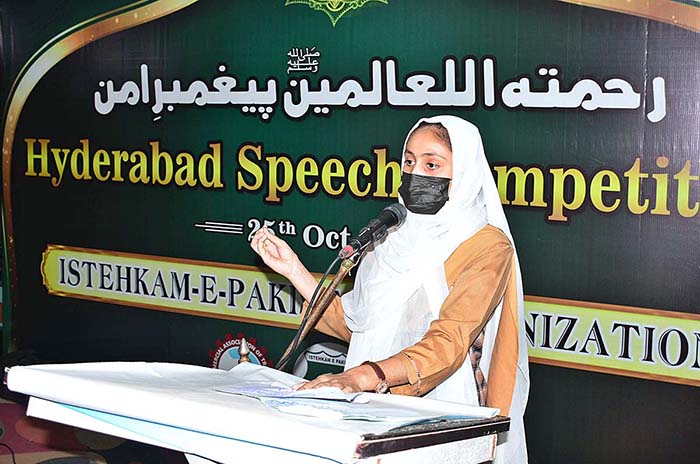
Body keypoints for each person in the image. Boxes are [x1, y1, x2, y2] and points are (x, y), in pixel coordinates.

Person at [251, 115, 529, 463]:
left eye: (433, 164)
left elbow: (448, 345)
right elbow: (356, 326)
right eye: (409, 161)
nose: (417, 173)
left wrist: (360, 377)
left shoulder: (487, 246)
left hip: (446, 417)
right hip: (376, 411)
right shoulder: (392, 235)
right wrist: (294, 270)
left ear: (465, 172)